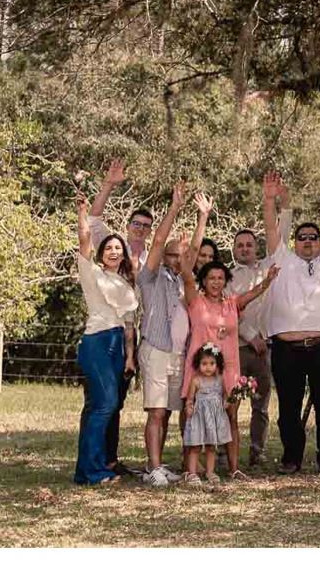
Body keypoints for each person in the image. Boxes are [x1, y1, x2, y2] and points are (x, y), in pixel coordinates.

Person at [181, 192, 277, 479]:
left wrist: (268, 280)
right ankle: (193, 469)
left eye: (220, 278)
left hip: (229, 368)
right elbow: (188, 264)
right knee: (195, 416)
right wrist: (203, 217)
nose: (216, 282)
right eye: (211, 278)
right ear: (203, 280)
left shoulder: (232, 304)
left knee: (230, 414)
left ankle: (234, 469)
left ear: (225, 282)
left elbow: (255, 292)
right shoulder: (195, 301)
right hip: (201, 368)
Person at [259, 168, 320, 475]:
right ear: (294, 241)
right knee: (288, 407)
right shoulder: (282, 259)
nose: (308, 241)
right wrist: (269, 200)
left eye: (313, 237)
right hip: (287, 349)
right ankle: (291, 458)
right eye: (302, 237)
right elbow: (271, 228)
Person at [73, 197, 139, 486]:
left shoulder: (125, 284)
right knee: (105, 404)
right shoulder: (92, 273)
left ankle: (91, 468)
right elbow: (84, 238)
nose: (114, 251)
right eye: (109, 247)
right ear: (102, 254)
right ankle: (92, 471)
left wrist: (129, 357)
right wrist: (83, 213)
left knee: (105, 406)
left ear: (123, 255)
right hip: (97, 341)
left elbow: (129, 326)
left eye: (118, 248)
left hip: (117, 344)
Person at [136, 182, 192, 487]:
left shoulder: (183, 281)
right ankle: (154, 468)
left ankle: (154, 465)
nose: (176, 260)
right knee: (156, 411)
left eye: (180, 256)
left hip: (177, 354)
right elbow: (158, 240)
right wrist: (175, 207)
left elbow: (192, 253)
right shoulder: (151, 277)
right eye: (172, 255)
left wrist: (201, 219)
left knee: (168, 411)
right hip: (156, 349)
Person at [228, 225, 276, 467]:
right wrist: (250, 336)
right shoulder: (227, 277)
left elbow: (281, 233)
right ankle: (226, 452)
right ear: (234, 250)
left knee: (261, 404)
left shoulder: (268, 269)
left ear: (256, 247)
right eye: (240, 245)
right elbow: (227, 312)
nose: (245, 249)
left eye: (249, 245)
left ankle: (258, 450)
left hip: (265, 347)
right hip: (238, 347)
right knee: (231, 403)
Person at [180, 344, 232, 487]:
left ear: (217, 364)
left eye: (211, 363)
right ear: (198, 364)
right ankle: (192, 473)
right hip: (199, 417)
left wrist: (226, 402)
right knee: (195, 446)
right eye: (204, 364)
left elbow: (225, 395)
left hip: (214, 417)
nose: (208, 367)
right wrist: (189, 407)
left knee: (211, 446)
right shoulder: (196, 380)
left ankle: (210, 471)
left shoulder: (220, 379)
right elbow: (190, 398)